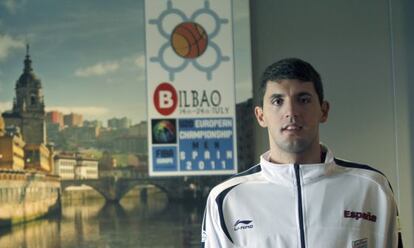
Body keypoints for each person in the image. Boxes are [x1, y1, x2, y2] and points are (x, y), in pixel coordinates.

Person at [201, 58, 403, 247]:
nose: (291, 112)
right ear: (260, 116)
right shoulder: (226, 199)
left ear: (323, 111)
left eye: (303, 99)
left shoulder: (372, 188)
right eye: (277, 101)